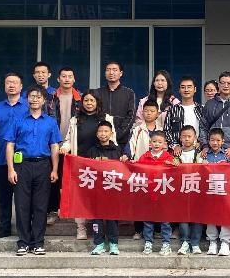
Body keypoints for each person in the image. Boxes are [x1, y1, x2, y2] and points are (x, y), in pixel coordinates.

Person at [5, 86, 62, 256]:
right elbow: (10, 145)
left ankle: (38, 242)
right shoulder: (18, 120)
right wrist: (10, 169)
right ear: (27, 99)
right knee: (22, 205)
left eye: (38, 97)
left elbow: (54, 146)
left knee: (40, 206)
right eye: (31, 96)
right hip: (22, 166)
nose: (35, 99)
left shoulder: (50, 122)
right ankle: (23, 242)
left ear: (44, 101)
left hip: (43, 165)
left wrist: (55, 169)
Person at [61, 90, 115, 240]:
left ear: (97, 102)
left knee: (101, 195)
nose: (89, 103)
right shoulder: (75, 120)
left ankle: (103, 227)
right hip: (81, 163)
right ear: (82, 103)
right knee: (80, 196)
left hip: (101, 164)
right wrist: (65, 147)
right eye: (86, 101)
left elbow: (113, 140)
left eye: (92, 100)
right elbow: (69, 139)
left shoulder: (106, 118)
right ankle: (81, 227)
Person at [0, 72, 27, 239]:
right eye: (8, 82)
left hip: (24, 159)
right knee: (4, 196)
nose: (11, 85)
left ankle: (24, 229)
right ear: (4, 86)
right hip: (2, 159)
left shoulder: (28, 106)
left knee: (23, 197)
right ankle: (4, 227)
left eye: (15, 82)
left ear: (21, 86)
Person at [45, 67, 82, 225]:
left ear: (74, 79)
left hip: (74, 145)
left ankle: (73, 210)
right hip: (54, 144)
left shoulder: (81, 98)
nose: (67, 79)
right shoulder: (50, 98)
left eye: (70, 76)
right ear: (58, 79)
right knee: (54, 179)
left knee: (74, 179)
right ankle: (53, 211)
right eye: (64, 76)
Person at [136, 130, 178, 256]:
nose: (157, 144)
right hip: (148, 193)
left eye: (160, 142)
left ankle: (166, 244)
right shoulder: (144, 156)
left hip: (164, 194)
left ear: (164, 144)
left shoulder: (168, 157)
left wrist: (175, 164)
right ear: (150, 143)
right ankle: (148, 242)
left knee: (165, 220)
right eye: (154, 141)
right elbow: (137, 169)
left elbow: (177, 170)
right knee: (148, 220)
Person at [126, 99, 163, 239]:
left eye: (152, 111)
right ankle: (138, 230)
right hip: (141, 170)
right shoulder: (137, 129)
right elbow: (130, 146)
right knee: (140, 200)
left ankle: (157, 230)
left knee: (157, 200)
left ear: (157, 113)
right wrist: (126, 155)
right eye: (146, 111)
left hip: (158, 171)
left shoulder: (162, 130)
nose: (148, 113)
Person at [87, 121, 122, 256]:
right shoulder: (92, 150)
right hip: (96, 190)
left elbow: (123, 170)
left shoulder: (117, 150)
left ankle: (113, 243)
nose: (103, 134)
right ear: (97, 134)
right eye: (100, 131)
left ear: (111, 133)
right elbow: (85, 168)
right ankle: (99, 244)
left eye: (106, 131)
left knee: (112, 217)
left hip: (112, 190)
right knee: (97, 218)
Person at [199, 71, 230, 159]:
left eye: (229, 83)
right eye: (223, 83)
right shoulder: (209, 104)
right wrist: (205, 146)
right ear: (218, 85)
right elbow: (203, 127)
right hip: (211, 151)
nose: (226, 86)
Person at [92, 60, 136, 148]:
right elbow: (93, 113)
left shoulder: (129, 93)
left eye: (115, 70)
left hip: (121, 140)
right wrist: (101, 133)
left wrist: (118, 134)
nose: (111, 72)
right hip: (100, 139)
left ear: (121, 73)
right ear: (105, 73)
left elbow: (131, 116)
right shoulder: (97, 93)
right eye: (108, 70)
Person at [176, 125, 205, 256]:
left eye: (189, 136)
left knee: (197, 217)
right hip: (181, 191)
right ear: (180, 138)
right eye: (184, 136)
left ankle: (195, 243)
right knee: (183, 217)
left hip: (196, 190)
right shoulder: (176, 153)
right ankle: (185, 242)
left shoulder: (200, 154)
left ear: (195, 138)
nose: (187, 139)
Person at [203, 128, 230, 256]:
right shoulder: (204, 155)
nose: (215, 143)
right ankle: (212, 242)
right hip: (208, 191)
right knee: (210, 216)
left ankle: (225, 242)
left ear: (223, 141)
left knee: (225, 216)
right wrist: (202, 164)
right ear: (208, 141)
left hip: (224, 191)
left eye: (218, 140)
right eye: (212, 140)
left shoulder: (227, 155)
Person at [164, 76, 204, 155]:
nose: (186, 90)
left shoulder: (201, 109)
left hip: (198, 150)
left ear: (195, 89)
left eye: (189, 87)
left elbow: (206, 129)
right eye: (183, 87)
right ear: (179, 90)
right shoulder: (172, 110)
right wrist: (175, 146)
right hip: (178, 152)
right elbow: (166, 130)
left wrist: (201, 143)